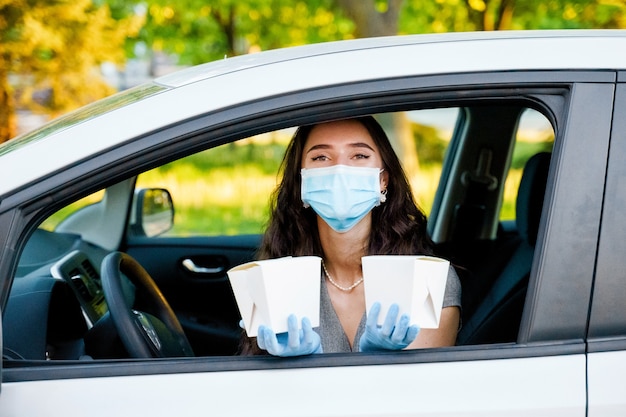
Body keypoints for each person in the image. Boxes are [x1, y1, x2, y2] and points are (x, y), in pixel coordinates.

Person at [239, 115, 461, 356]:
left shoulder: (427, 281)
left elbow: (422, 389)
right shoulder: (276, 283)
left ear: (382, 180)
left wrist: (371, 359)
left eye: (359, 156)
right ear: (301, 181)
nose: (340, 171)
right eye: (321, 157)